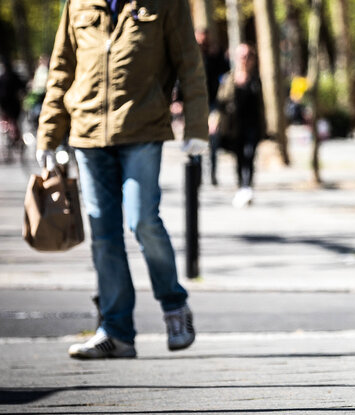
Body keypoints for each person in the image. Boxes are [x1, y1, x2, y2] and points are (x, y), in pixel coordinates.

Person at [36, 0, 208, 359]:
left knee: (142, 219)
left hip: (143, 129)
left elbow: (189, 63)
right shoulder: (78, 3)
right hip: (87, 134)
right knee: (104, 233)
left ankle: (175, 307)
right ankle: (116, 332)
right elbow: (61, 66)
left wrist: (196, 127)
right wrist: (48, 132)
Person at [214, 43, 265, 208]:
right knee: (239, 156)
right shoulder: (228, 78)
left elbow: (262, 105)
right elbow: (220, 102)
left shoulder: (257, 79)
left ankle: (247, 186)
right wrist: (215, 120)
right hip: (234, 125)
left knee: (249, 154)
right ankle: (241, 186)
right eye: (242, 56)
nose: (245, 60)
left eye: (248, 56)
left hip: (253, 124)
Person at [196, 28, 230, 186]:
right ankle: (196, 174)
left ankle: (213, 174)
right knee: (196, 139)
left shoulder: (216, 55)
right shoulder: (192, 55)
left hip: (214, 103)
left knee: (213, 139)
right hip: (196, 103)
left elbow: (226, 74)